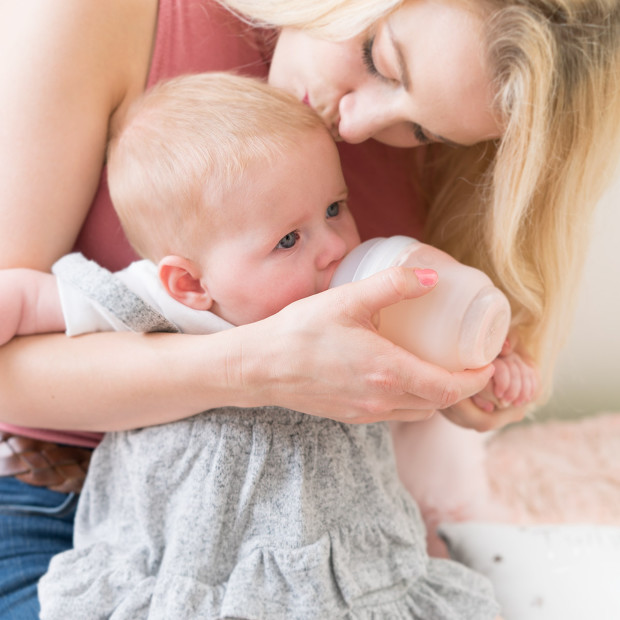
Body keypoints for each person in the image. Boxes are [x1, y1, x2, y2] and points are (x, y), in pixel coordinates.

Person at [0, 0, 618, 616]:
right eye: (380, 59)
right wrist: (255, 366)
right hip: (77, 519)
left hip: (321, 560)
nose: (354, 127)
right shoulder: (104, 16)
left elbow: (406, 362)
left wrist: (459, 385)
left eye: (423, 130)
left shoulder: (445, 135)